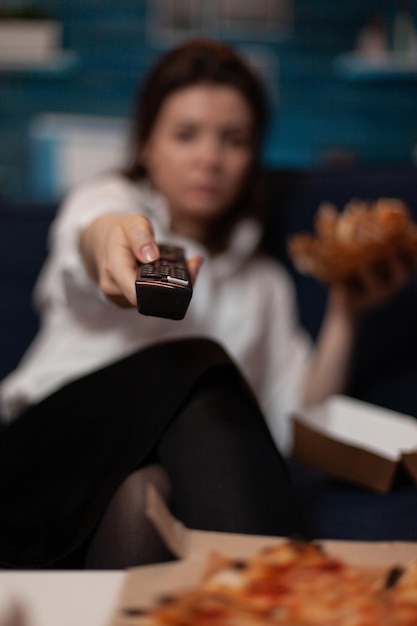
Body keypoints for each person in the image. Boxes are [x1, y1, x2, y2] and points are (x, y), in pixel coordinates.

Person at [0, 38, 410, 570]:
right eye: (186, 135)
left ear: (252, 156)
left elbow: (291, 423)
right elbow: (91, 233)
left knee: (144, 495)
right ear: (147, 145)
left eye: (233, 139)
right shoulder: (110, 205)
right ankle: (282, 594)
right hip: (40, 461)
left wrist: (346, 312)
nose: (209, 159)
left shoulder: (263, 283)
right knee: (196, 362)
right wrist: (110, 245)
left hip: (115, 499)